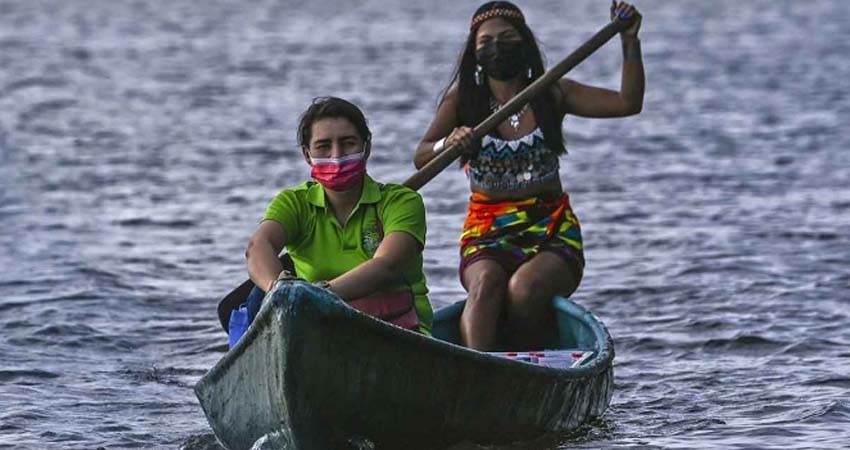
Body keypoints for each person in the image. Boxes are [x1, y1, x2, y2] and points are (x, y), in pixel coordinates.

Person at [413, 1, 644, 351]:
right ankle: (479, 370)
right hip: (486, 230)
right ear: (474, 54)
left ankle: (522, 365)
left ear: (525, 43)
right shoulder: (463, 99)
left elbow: (628, 102)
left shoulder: (551, 92)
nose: (496, 46)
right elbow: (422, 156)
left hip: (551, 228)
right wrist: (450, 141)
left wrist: (629, 42)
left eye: (507, 37)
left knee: (524, 288)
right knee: (487, 283)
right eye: (486, 41)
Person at [240, 96, 433, 340]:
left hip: (398, 330)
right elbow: (258, 246)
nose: (336, 155)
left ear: (367, 147)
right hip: (321, 329)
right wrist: (276, 289)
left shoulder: (401, 201)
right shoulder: (294, 203)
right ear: (307, 155)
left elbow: (386, 266)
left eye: (348, 143)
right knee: (258, 297)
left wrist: (317, 294)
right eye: (323, 146)